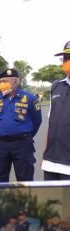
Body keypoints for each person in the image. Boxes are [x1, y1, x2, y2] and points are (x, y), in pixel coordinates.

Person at [0, 68, 42, 182]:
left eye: (5, 81)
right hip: (0, 144)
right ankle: (1, 200)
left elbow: (37, 121)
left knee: (25, 178)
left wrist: (24, 135)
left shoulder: (30, 99)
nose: (2, 84)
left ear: (15, 82)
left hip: (22, 144)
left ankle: (24, 200)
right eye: (1, 81)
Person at [42, 41, 70, 181]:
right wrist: (45, 151)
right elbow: (50, 122)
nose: (67, 62)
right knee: (49, 202)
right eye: (65, 58)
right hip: (50, 163)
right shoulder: (57, 87)